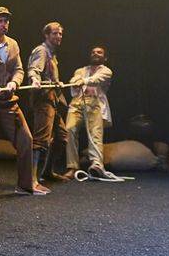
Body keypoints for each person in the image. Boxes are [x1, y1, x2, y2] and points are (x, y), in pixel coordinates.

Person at [0, 6, 49, 196]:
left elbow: (19, 69)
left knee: (25, 138)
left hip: (7, 98)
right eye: (0, 21)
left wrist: (14, 82)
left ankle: (25, 185)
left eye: (6, 20)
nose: (4, 24)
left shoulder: (13, 44)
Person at [65, 46, 120, 180]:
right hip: (77, 102)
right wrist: (75, 82)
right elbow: (74, 80)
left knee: (95, 134)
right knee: (69, 130)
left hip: (94, 103)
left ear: (105, 57)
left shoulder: (106, 71)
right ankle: (72, 166)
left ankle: (97, 165)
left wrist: (83, 81)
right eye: (93, 52)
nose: (95, 54)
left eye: (99, 52)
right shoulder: (81, 70)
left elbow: (96, 79)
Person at [27, 22, 70, 182]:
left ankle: (47, 172)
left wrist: (56, 82)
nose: (58, 36)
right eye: (55, 33)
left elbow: (50, 76)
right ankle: (31, 179)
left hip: (54, 99)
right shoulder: (42, 50)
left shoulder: (52, 54)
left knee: (62, 137)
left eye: (60, 33)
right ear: (46, 35)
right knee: (41, 139)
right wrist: (35, 79)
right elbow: (34, 69)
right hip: (44, 99)